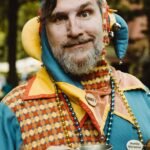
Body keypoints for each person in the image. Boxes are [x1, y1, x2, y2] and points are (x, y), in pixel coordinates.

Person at [0, 0, 150, 149]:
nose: (74, 31)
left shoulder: (140, 95)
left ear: (105, 19)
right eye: (59, 18)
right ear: (44, 31)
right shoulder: (12, 111)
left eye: (85, 14)